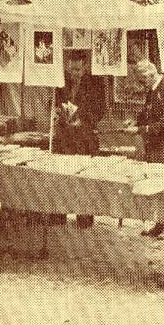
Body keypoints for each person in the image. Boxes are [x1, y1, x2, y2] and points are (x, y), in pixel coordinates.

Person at [125, 59, 164, 237]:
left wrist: (141, 129)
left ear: (151, 73)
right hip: (153, 143)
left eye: (142, 80)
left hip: (163, 144)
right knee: (155, 183)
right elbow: (148, 111)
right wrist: (136, 121)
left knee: (161, 185)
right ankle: (162, 222)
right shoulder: (153, 89)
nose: (141, 84)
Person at [54, 50, 105, 228]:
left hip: (84, 138)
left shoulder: (96, 83)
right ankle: (59, 215)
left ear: (85, 67)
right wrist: (59, 113)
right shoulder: (62, 82)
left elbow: (100, 109)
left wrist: (82, 119)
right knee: (62, 176)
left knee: (84, 178)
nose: (74, 74)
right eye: (71, 70)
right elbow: (56, 102)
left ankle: (84, 218)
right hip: (65, 137)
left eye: (77, 70)